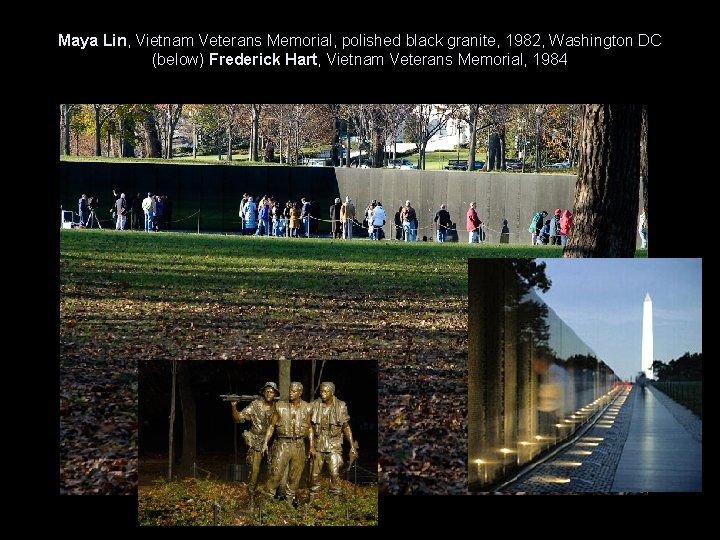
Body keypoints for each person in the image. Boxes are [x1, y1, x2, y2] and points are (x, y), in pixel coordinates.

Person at [262, 382, 313, 507]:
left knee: (295, 476)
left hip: (299, 445)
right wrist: (265, 443)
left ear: (300, 393)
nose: (291, 393)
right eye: (290, 390)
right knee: (276, 472)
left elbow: (310, 428)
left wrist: (312, 446)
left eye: (294, 391)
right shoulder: (280, 406)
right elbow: (271, 426)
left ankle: (289, 502)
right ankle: (268, 502)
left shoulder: (307, 407)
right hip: (283, 443)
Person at [309, 382, 358, 499]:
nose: (323, 394)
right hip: (318, 443)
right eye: (321, 391)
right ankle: (313, 499)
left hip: (334, 444)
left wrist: (351, 445)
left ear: (332, 392)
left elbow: (346, 426)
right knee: (314, 474)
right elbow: (309, 426)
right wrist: (311, 445)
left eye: (326, 391)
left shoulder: (341, 406)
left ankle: (335, 499)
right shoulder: (315, 405)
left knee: (334, 472)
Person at [231, 382, 279, 498]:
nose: (269, 393)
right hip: (256, 440)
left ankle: (270, 497)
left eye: (272, 392)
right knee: (254, 470)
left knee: (274, 470)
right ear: (263, 392)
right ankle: (251, 496)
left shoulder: (278, 407)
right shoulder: (255, 405)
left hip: (272, 441)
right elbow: (238, 418)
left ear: (275, 394)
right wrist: (233, 407)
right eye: (267, 391)